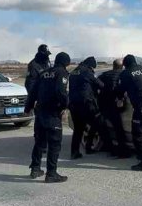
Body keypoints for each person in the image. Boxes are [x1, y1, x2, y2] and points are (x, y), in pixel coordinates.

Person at [29, 52, 71, 183]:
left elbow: (33, 92)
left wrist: (27, 108)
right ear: (66, 63)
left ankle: (35, 169)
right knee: (54, 144)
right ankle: (51, 174)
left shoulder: (43, 73)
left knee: (40, 142)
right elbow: (61, 92)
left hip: (40, 112)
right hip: (52, 113)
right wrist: (65, 106)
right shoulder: (62, 73)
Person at [117, 54, 142, 171]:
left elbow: (120, 90)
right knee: (141, 130)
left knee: (137, 135)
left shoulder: (126, 73)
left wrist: (119, 98)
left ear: (125, 64)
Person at [68, 57, 113, 159]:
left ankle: (75, 152)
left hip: (73, 105)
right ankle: (111, 150)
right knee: (100, 124)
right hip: (86, 105)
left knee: (78, 129)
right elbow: (100, 84)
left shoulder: (74, 71)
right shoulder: (87, 72)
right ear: (91, 65)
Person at [98, 58, 130, 158]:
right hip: (116, 105)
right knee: (119, 129)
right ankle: (123, 151)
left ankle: (110, 148)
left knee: (104, 127)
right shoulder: (124, 74)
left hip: (104, 105)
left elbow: (97, 86)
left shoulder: (104, 75)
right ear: (122, 67)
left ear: (113, 66)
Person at [24, 44, 51, 112]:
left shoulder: (47, 62)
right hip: (39, 97)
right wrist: (34, 99)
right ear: (41, 54)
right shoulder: (33, 65)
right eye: (46, 54)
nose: (47, 56)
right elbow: (30, 83)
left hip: (48, 96)